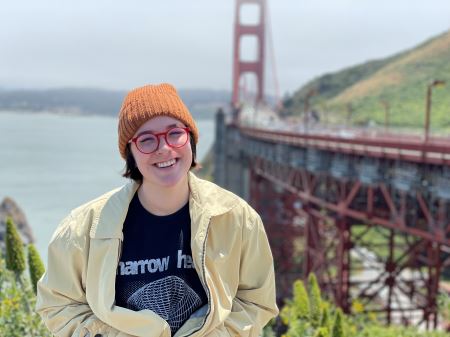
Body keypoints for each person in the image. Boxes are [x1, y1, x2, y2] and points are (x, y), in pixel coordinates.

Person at [36, 83, 279, 337]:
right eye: (147, 140)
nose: (164, 148)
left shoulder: (238, 219)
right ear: (130, 151)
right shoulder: (82, 228)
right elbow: (58, 304)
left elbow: (255, 302)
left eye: (175, 133)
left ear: (191, 139)